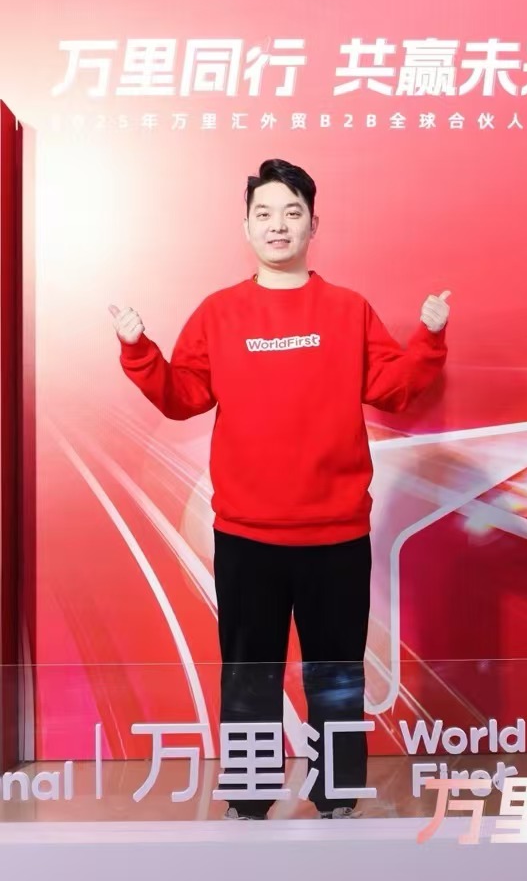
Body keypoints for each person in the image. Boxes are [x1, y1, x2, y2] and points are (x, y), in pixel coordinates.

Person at [109, 158, 450, 820]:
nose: (278, 225)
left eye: (292, 213)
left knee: (337, 674)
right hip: (247, 535)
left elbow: (394, 389)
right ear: (246, 226)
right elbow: (183, 397)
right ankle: (248, 796)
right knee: (249, 675)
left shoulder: (348, 310)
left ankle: (337, 797)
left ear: (313, 224)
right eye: (264, 213)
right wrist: (139, 350)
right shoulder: (220, 312)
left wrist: (429, 339)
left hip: (336, 534)